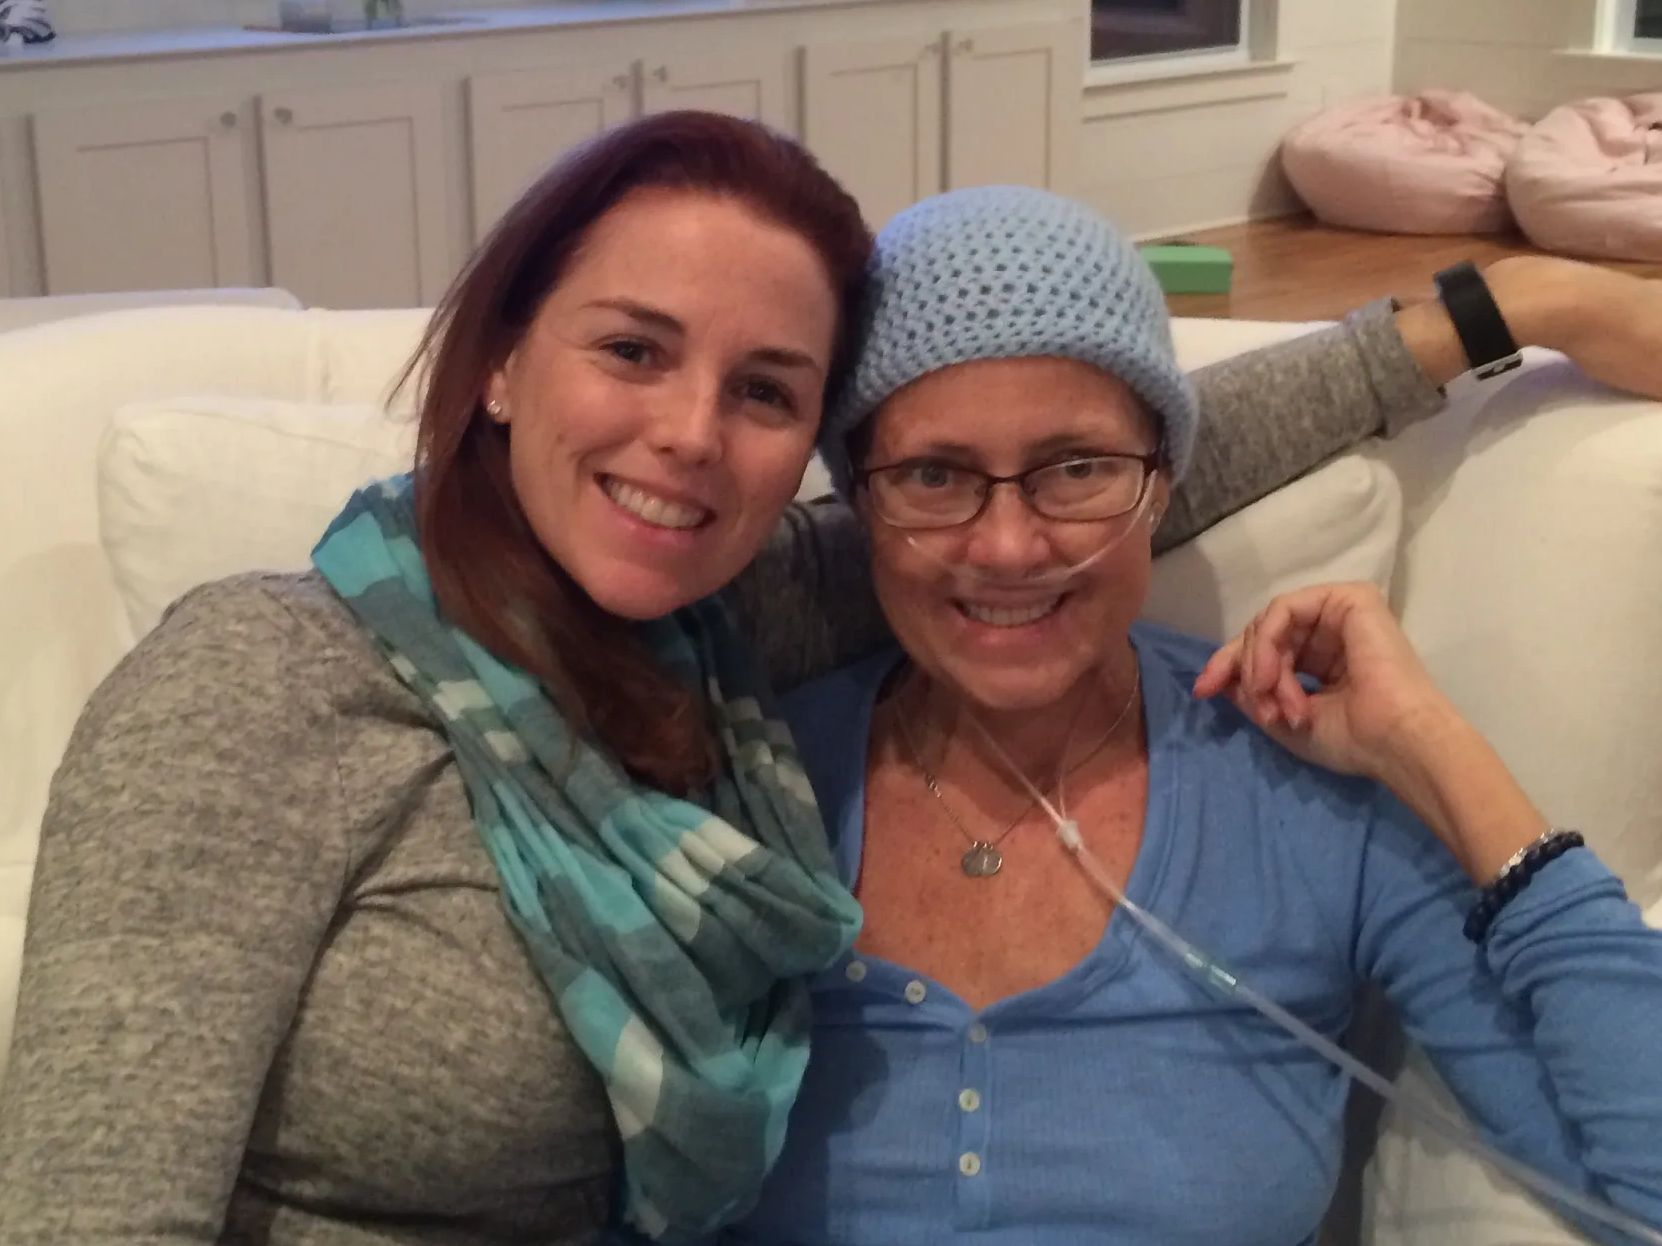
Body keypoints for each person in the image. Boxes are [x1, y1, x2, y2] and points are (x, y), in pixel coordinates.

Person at [1, 109, 1661, 1245]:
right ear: (500, 356)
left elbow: (1054, 440)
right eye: (632, 348)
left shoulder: (740, 646)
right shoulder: (330, 681)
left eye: (761, 390)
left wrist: (1504, 313)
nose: (686, 436)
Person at [721, 185, 1662, 1246]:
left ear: (1166, 483)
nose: (1009, 547)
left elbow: (1643, 1179)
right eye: (933, 475)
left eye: (1078, 468)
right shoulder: (758, 786)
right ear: (858, 501)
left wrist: (1432, 745)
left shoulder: (1294, 784)